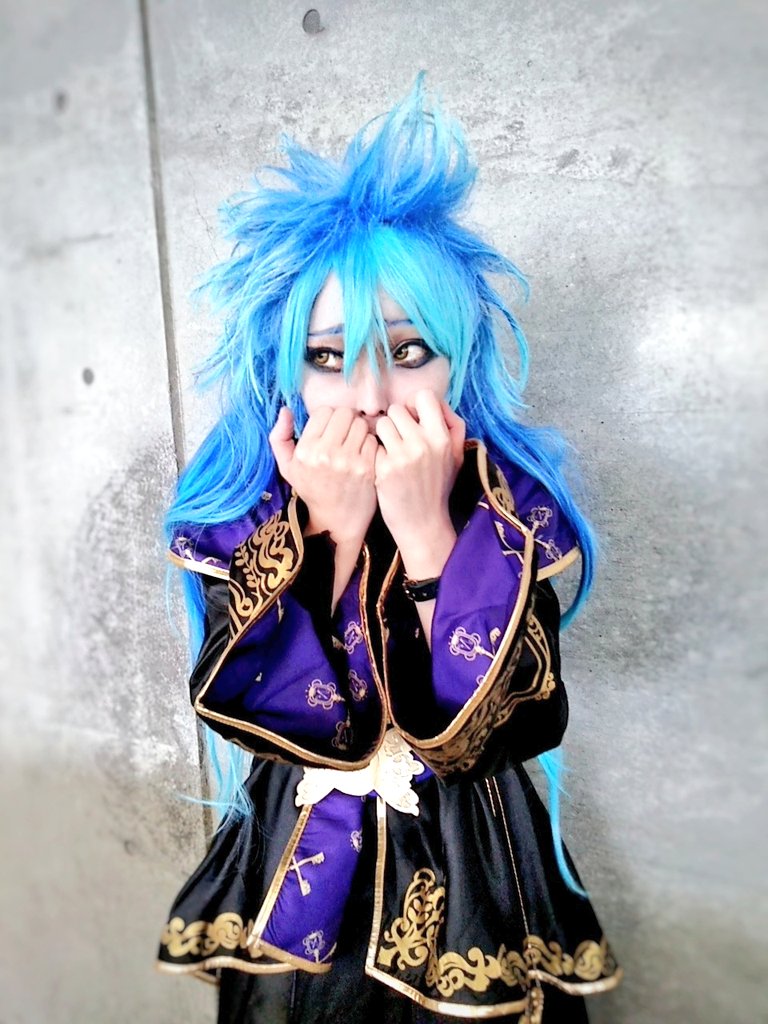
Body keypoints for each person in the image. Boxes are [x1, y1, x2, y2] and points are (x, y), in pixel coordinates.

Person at [156, 76, 622, 1023]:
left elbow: (501, 728)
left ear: (460, 358)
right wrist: (330, 531)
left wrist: (426, 534)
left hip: (473, 851)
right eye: (329, 357)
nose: (369, 397)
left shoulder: (509, 506)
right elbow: (254, 709)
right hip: (298, 841)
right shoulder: (243, 509)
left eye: (408, 353)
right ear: (283, 366)